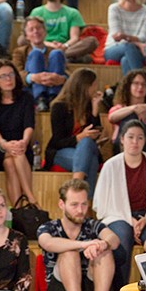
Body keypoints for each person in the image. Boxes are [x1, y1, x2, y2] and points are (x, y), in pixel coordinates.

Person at [93, 120, 146, 291]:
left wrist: (143, 221)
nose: (135, 142)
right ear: (122, 139)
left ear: (145, 141)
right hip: (118, 215)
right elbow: (102, 204)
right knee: (122, 236)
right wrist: (131, 221)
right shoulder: (111, 165)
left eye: (140, 138)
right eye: (130, 137)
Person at [37, 179, 119, 291]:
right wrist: (84, 245)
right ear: (62, 205)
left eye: (84, 204)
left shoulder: (93, 225)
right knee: (69, 253)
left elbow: (114, 239)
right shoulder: (49, 227)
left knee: (105, 252)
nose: (80, 210)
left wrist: (102, 244)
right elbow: (46, 243)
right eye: (74, 205)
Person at [44, 67, 107, 198]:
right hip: (61, 151)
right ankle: (85, 203)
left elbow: (95, 131)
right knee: (92, 160)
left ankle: (74, 193)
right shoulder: (59, 107)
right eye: (93, 85)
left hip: (85, 150)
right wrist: (79, 137)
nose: (96, 88)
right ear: (84, 87)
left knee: (87, 144)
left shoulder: (89, 105)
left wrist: (95, 109)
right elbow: (58, 141)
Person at [0, 59, 37, 207]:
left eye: (11, 74)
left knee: (10, 162)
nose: (8, 79)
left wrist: (24, 142)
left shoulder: (26, 97)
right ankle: (31, 199)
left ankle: (18, 210)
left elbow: (29, 125)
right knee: (14, 154)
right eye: (3, 76)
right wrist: (4, 144)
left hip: (22, 145)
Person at [29, 0, 98, 63]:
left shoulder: (72, 13)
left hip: (66, 47)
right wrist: (51, 45)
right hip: (43, 46)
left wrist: (64, 46)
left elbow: (74, 38)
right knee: (23, 40)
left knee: (92, 41)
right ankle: (61, 57)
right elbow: (32, 35)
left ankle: (59, 56)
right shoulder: (36, 12)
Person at [12, 15, 67, 111]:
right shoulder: (19, 52)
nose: (36, 31)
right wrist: (32, 77)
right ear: (26, 36)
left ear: (45, 31)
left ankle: (53, 98)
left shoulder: (54, 52)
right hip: (31, 89)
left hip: (54, 89)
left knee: (57, 53)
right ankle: (40, 99)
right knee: (36, 53)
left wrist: (62, 79)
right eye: (31, 29)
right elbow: (16, 74)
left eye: (38, 28)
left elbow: (67, 72)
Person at [107, 69, 146, 157]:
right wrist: (134, 108)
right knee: (130, 116)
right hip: (122, 150)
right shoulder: (120, 107)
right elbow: (111, 117)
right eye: (136, 83)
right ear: (129, 86)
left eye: (144, 84)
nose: (140, 87)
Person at [103, 0, 146, 75]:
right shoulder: (114, 8)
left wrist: (127, 38)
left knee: (125, 60)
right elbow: (116, 36)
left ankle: (130, 89)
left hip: (136, 50)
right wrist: (137, 43)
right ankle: (143, 81)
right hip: (113, 49)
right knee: (128, 47)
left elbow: (142, 37)